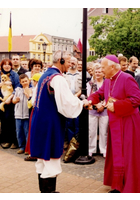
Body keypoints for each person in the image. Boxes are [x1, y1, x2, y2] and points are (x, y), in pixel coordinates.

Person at [85, 55, 140, 193]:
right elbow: (99, 94)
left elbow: (137, 99)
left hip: (129, 123)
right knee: (117, 154)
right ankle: (118, 185)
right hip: (116, 123)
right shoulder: (108, 80)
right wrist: (89, 101)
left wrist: (117, 105)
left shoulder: (127, 78)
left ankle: (130, 186)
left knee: (128, 155)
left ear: (112, 67)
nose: (101, 69)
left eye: (103, 67)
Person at [30, 50, 83, 193]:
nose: (70, 64)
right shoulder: (58, 78)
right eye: (68, 61)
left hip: (40, 121)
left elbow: (35, 100)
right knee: (51, 158)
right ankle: (49, 193)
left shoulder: (44, 75)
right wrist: (82, 104)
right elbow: (66, 103)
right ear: (60, 60)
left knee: (42, 159)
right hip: (50, 123)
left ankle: (45, 192)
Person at [87, 63, 108, 158]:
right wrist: (96, 104)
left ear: (103, 73)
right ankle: (91, 149)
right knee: (92, 130)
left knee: (104, 131)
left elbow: (109, 95)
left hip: (104, 110)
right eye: (96, 72)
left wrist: (103, 105)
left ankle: (104, 149)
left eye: (100, 72)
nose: (98, 73)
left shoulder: (107, 83)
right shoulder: (90, 83)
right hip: (93, 109)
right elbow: (89, 96)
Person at [0, 58, 21, 149]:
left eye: (9, 64)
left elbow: (17, 87)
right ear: (2, 65)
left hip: (10, 101)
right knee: (3, 120)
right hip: (1, 100)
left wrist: (10, 98)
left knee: (10, 120)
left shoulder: (14, 75)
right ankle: (5, 140)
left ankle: (12, 140)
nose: (7, 66)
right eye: (5, 64)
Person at [63, 57, 82, 148]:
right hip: (68, 102)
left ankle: (77, 143)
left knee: (77, 124)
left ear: (77, 63)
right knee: (69, 124)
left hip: (77, 101)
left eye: (74, 61)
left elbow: (83, 88)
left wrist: (75, 96)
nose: (72, 63)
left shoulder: (82, 75)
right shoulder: (64, 75)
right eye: (70, 62)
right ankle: (70, 144)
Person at [12, 74, 32, 154]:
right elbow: (13, 101)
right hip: (18, 114)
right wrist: (15, 100)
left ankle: (27, 147)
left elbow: (31, 100)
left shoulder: (32, 90)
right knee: (19, 131)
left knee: (27, 131)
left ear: (29, 81)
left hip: (27, 115)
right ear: (20, 82)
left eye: (26, 81)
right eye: (23, 82)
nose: (25, 83)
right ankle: (21, 147)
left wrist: (28, 95)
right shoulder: (17, 90)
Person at [24, 73, 41, 162]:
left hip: (35, 111)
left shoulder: (35, 89)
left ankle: (33, 153)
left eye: (33, 81)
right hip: (39, 111)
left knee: (33, 131)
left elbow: (32, 102)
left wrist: (28, 97)